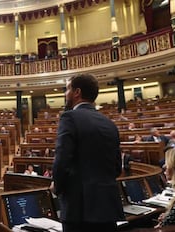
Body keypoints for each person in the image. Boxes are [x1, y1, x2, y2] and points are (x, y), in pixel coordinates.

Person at [51, 74, 124, 232]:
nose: (65, 94)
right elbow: (117, 167)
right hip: (108, 208)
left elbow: (61, 160)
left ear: (77, 92)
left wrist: (57, 186)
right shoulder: (109, 123)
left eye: (67, 89)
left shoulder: (69, 117)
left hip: (79, 209)